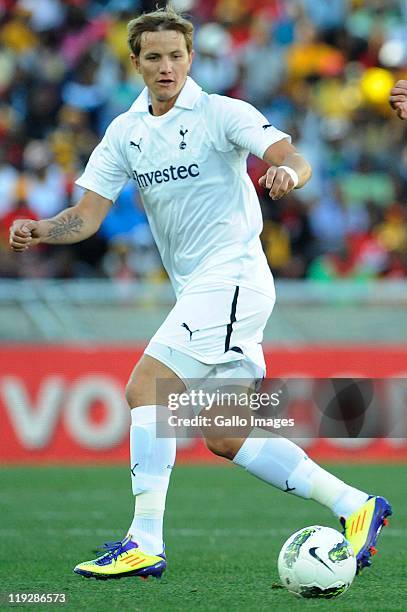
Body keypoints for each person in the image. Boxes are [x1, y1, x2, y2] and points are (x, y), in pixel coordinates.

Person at [9, 5, 391, 581]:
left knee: (146, 390)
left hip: (232, 278)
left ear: (191, 58)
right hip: (208, 292)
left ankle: (144, 541)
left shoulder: (221, 113)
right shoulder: (125, 132)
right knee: (225, 432)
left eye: (177, 55)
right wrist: (42, 230)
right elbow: (87, 215)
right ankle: (355, 505)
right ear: (135, 62)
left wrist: (289, 174)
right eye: (155, 57)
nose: (167, 67)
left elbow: (289, 155)